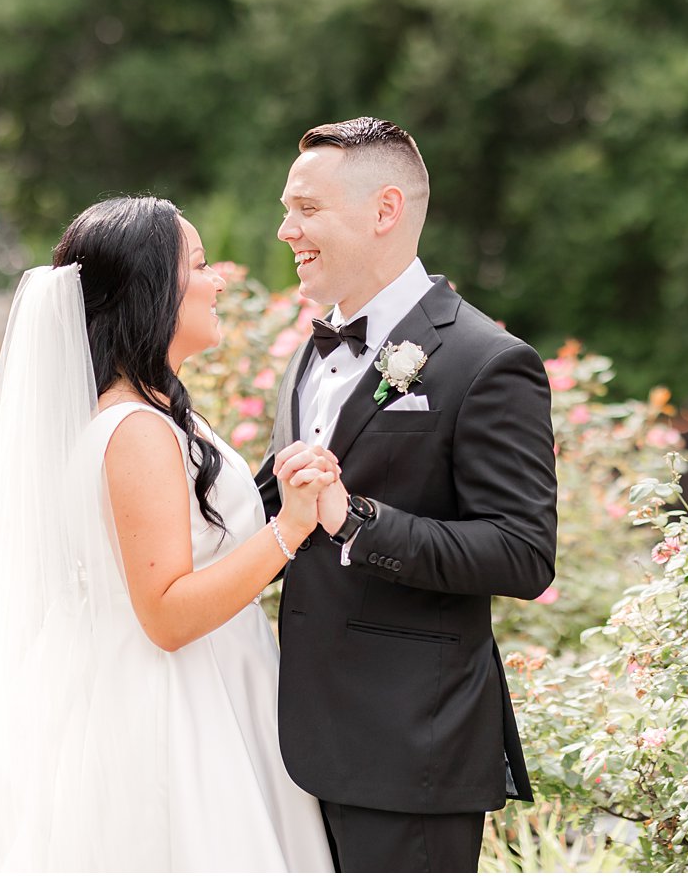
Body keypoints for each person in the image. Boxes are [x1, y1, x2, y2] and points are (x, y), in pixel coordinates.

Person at [0, 195, 337, 872]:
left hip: (214, 690)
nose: (219, 279)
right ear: (152, 291)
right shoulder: (134, 429)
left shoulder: (152, 414)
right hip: (176, 712)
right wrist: (289, 530)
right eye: (198, 265)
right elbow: (165, 612)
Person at [257, 117, 560, 872]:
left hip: (410, 752)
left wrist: (356, 520)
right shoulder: (309, 353)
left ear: (384, 210)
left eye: (308, 209)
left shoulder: (487, 360)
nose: (286, 228)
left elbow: (523, 553)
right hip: (297, 744)